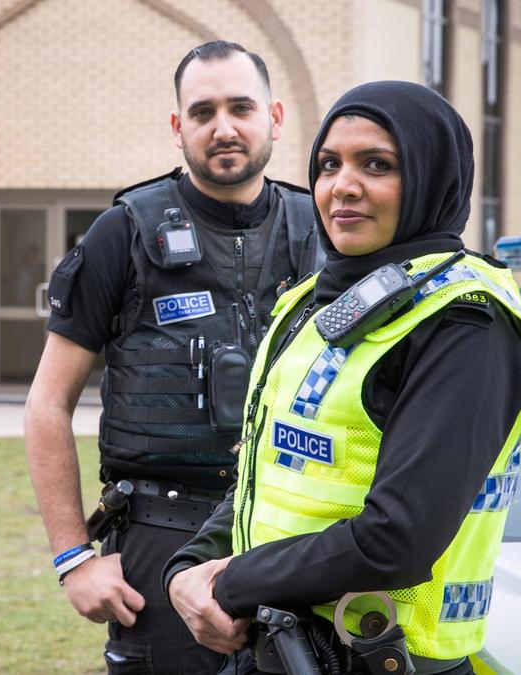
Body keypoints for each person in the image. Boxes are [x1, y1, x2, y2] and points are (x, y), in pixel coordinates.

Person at [164, 81, 521, 674]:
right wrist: (190, 568)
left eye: (377, 165)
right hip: (275, 649)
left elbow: (397, 538)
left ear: (432, 178)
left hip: (380, 659)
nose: (342, 186)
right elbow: (268, 476)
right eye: (328, 164)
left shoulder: (467, 324)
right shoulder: (314, 300)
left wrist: (231, 582)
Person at [24, 41, 321, 674]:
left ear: (274, 117)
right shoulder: (125, 231)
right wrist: (74, 558)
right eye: (202, 112)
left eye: (241, 108)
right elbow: (47, 402)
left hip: (293, 530)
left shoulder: (322, 232)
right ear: (177, 126)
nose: (223, 127)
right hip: (162, 535)